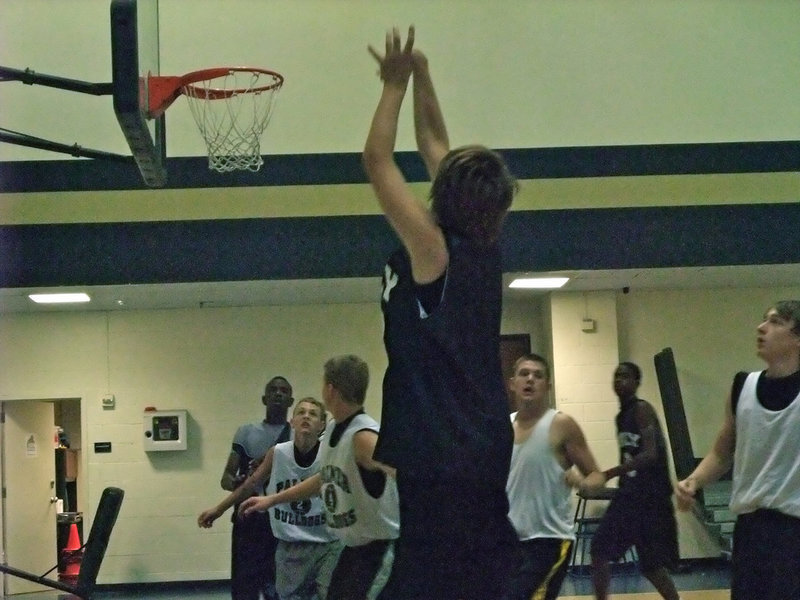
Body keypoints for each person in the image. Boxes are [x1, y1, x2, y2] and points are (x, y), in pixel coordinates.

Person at [363, 26, 519, 600]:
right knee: (458, 575)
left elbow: (377, 161)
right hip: (463, 447)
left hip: (451, 450)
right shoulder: (475, 241)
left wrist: (394, 85)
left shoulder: (435, 251)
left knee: (437, 581)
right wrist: (424, 71)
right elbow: (435, 143)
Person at [240, 355, 399, 600]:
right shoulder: (335, 429)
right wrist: (271, 500)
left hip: (378, 550)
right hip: (353, 548)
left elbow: (408, 474)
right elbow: (324, 478)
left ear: (330, 389)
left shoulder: (363, 437)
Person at [675, 300, 800, 600]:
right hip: (751, 529)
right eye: (763, 319)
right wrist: (694, 480)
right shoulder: (742, 386)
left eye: (775, 322)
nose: (761, 327)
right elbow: (721, 452)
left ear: (797, 338)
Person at [199, 397, 342, 600]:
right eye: (301, 412)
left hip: (326, 544)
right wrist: (219, 509)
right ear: (292, 422)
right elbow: (250, 484)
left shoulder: (331, 454)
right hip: (290, 545)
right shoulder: (278, 453)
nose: (306, 417)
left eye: (313, 414)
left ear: (321, 425)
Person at [503, 353, 606, 600]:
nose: (530, 380)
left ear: (547, 386)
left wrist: (583, 483)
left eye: (538, 376)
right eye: (524, 374)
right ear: (512, 383)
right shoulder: (503, 427)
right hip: (509, 540)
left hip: (549, 540)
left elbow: (597, 476)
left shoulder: (561, 425)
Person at [590, 362, 680, 600]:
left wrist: (610, 473)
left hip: (649, 499)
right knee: (600, 549)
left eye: (626, 376)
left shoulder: (642, 409)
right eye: (616, 376)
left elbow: (651, 454)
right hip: (629, 496)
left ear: (637, 382)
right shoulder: (621, 417)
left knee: (650, 565)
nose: (620, 380)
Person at [220, 376, 294, 600]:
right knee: (244, 585)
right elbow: (225, 477)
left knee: (278, 585)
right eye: (273, 390)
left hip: (282, 520)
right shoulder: (246, 432)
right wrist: (238, 482)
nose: (278, 394)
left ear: (291, 401)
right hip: (249, 519)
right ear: (264, 398)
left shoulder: (296, 436)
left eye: (283, 391)